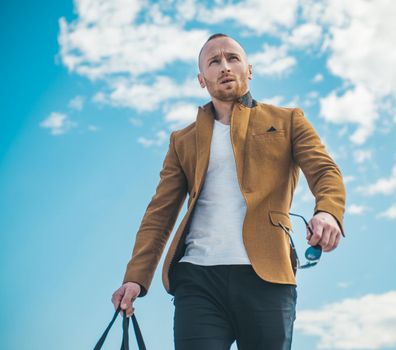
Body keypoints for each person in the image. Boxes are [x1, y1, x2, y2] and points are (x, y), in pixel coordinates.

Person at [111, 33, 346, 350]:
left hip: (268, 277)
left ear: (249, 69)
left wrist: (327, 212)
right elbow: (160, 213)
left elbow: (324, 171)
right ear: (201, 79)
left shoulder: (288, 120)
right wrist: (135, 277)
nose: (224, 66)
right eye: (214, 61)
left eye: (233, 58)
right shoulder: (183, 140)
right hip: (197, 280)